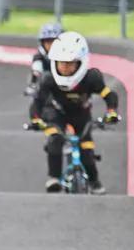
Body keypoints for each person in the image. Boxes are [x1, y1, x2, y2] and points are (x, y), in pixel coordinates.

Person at [28, 31, 121, 195]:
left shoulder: (92, 77)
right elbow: (37, 102)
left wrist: (111, 112)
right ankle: (54, 178)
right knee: (54, 139)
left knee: (87, 152)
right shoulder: (48, 79)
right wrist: (35, 119)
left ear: (81, 63)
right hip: (56, 112)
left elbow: (109, 95)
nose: (64, 67)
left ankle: (94, 182)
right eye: (61, 63)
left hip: (81, 114)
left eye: (70, 64)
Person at [25, 21, 64, 96]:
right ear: (42, 43)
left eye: (53, 41)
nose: (50, 45)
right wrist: (33, 84)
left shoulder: (67, 56)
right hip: (46, 90)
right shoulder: (39, 57)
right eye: (47, 42)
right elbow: (37, 70)